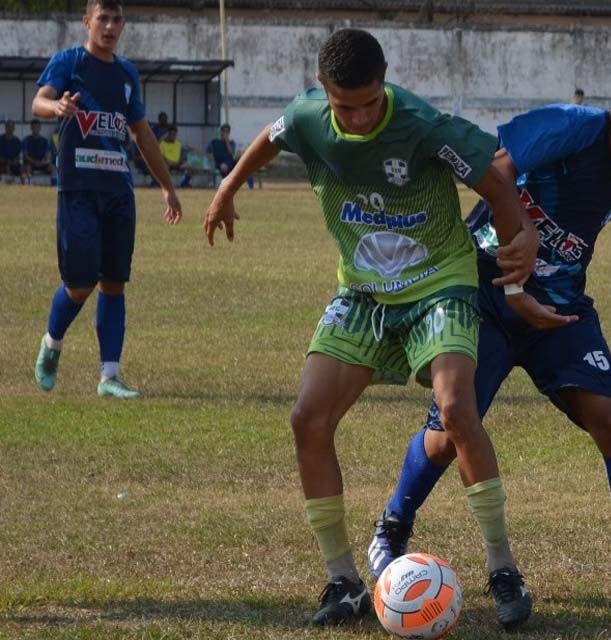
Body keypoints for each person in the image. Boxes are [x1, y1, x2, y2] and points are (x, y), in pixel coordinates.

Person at [366, 65, 611, 609]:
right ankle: (392, 527)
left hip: (560, 311)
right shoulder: (566, 127)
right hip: (482, 292)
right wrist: (522, 245)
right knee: (445, 438)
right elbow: (497, 170)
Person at [202, 28, 550, 630]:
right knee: (307, 418)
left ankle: (502, 567)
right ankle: (341, 581)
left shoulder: (423, 127)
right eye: (345, 106)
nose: (360, 117)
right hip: (362, 292)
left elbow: (496, 180)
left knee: (457, 411)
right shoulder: (310, 117)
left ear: (384, 83)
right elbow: (271, 137)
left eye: (370, 101)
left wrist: (519, 246)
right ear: (324, 93)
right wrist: (228, 187)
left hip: (439, 281)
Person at [32, 0, 183, 399]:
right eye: (103, 18)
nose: (111, 26)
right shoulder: (70, 62)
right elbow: (39, 101)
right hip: (78, 190)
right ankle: (51, 344)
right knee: (80, 283)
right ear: (88, 22)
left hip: (118, 191)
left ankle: (109, 377)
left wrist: (167, 186)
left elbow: (141, 132)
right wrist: (57, 106)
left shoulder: (127, 73)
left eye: (117, 19)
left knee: (114, 282)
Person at [206, 124, 254, 188]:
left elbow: (231, 153)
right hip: (219, 164)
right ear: (221, 132)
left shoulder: (231, 142)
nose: (225, 133)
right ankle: (226, 186)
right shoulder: (214, 142)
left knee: (244, 166)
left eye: (227, 131)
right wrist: (211, 161)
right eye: (224, 131)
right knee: (224, 168)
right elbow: (207, 152)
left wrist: (227, 141)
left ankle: (251, 187)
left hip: (230, 162)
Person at [23, 118, 57, 185]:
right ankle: (27, 186)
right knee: (27, 168)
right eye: (34, 127)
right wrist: (35, 162)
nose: (36, 129)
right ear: (31, 128)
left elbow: (47, 154)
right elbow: (26, 155)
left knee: (53, 168)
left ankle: (54, 186)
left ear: (40, 128)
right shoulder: (26, 140)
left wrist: (42, 162)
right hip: (31, 163)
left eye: (37, 127)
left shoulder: (44, 141)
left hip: (42, 163)